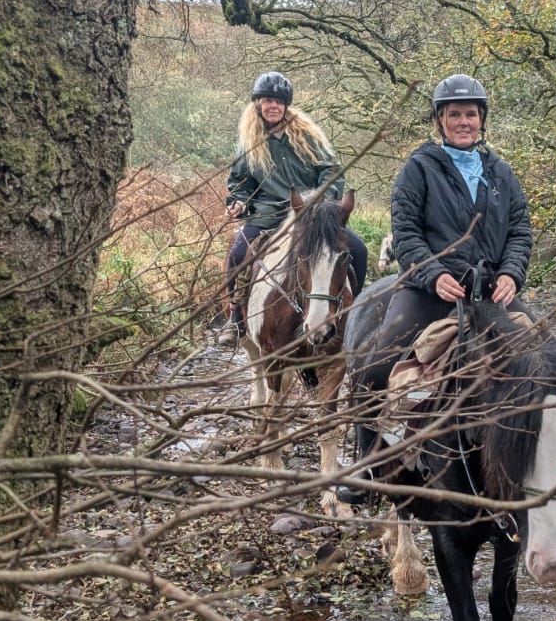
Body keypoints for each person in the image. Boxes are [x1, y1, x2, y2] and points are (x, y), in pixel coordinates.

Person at [338, 74, 534, 496]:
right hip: (431, 290)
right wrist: (434, 275)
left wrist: (510, 274)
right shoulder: (418, 168)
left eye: (470, 114)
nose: (463, 122)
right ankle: (365, 464)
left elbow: (519, 230)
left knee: (550, 357)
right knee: (375, 363)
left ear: (482, 119)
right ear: (440, 121)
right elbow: (406, 232)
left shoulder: (501, 172)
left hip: (491, 293)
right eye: (454, 115)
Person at [215, 70, 367, 345]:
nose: (273, 106)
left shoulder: (309, 137)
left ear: (286, 105)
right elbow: (240, 182)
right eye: (267, 100)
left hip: (312, 214)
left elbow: (331, 171)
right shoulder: (248, 142)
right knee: (238, 252)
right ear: (258, 104)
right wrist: (238, 201)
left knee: (358, 249)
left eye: (279, 101)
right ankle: (236, 318)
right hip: (267, 215)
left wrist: (321, 200)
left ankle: (353, 314)